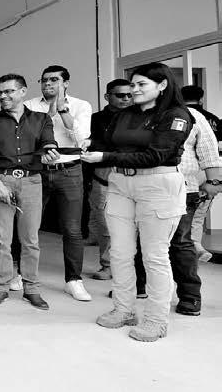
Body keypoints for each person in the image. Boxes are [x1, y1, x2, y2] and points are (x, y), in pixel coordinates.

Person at [82, 62, 192, 342]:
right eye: (133, 84)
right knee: (119, 253)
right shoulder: (125, 114)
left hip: (158, 183)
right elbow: (109, 144)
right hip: (120, 183)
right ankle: (124, 309)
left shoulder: (176, 115)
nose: (135, 89)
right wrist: (90, 146)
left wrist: (105, 157)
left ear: (162, 85)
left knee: (154, 256)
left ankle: (156, 320)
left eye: (142, 84)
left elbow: (156, 155)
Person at [0, 73, 58, 311]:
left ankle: (31, 289)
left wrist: (50, 153)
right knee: (1, 239)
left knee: (30, 240)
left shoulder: (41, 119)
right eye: (0, 92)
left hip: (32, 181)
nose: (3, 96)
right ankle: (0, 287)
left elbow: (48, 143)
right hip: (1, 179)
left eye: (9, 91)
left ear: (23, 92)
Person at [132, 105, 221, 317]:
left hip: (184, 187)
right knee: (141, 239)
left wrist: (214, 182)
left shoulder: (191, 115)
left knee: (180, 242)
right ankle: (140, 286)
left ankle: (190, 296)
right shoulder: (137, 114)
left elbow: (209, 151)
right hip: (141, 185)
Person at [23, 65, 93, 302]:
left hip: (69, 171)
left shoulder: (81, 106)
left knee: (72, 229)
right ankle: (21, 274)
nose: (48, 84)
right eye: (44, 80)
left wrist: (63, 111)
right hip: (37, 171)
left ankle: (73, 280)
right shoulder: (30, 105)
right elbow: (25, 137)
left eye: (54, 80)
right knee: (27, 225)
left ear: (66, 83)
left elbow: (82, 139)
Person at [87, 79, 133, 281]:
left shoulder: (140, 116)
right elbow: (91, 143)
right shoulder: (96, 118)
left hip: (134, 171)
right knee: (105, 221)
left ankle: (132, 268)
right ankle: (108, 265)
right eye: (120, 95)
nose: (126, 99)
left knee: (134, 222)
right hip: (104, 171)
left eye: (130, 95)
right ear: (107, 96)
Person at [181, 85, 222, 260]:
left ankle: (187, 248)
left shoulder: (180, 116)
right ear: (201, 99)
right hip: (210, 170)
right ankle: (195, 246)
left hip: (187, 171)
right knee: (199, 213)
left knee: (183, 211)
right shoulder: (213, 119)